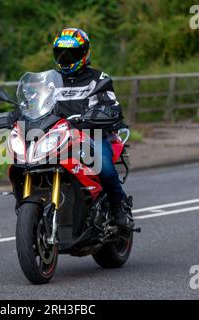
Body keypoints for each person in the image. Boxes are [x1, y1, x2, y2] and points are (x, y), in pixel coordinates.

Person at [52, 28, 132, 227]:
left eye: (71, 53)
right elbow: (34, 103)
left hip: (92, 134)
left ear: (84, 53)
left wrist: (95, 116)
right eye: (60, 52)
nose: (65, 57)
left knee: (102, 166)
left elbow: (112, 106)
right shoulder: (51, 80)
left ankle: (118, 205)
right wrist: (19, 114)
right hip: (57, 137)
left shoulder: (99, 78)